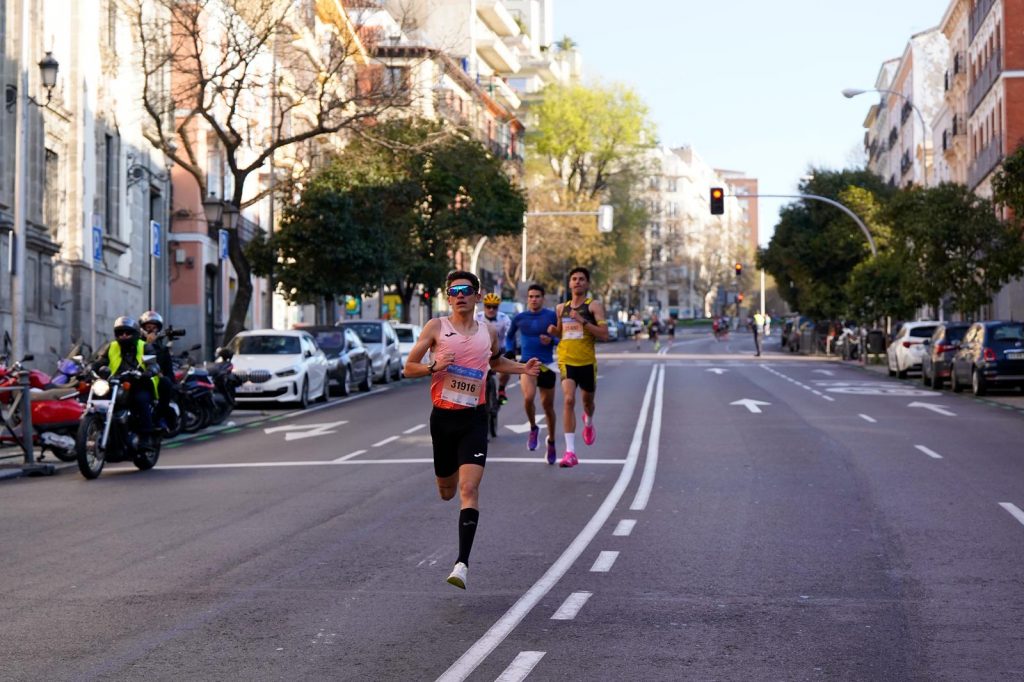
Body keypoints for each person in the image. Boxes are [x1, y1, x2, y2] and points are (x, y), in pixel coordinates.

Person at [404, 271, 540, 590]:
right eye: (454, 291)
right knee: (446, 491)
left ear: (478, 296)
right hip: (443, 419)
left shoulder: (488, 331)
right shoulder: (436, 328)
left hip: (474, 418)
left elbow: (494, 361)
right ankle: (458, 543)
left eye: (466, 290)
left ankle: (462, 563)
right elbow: (408, 368)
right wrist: (433, 366)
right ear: (447, 297)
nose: (460, 295)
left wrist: (522, 368)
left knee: (468, 490)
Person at [546, 267, 609, 468]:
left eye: (582, 279)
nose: (577, 282)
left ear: (587, 284)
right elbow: (561, 333)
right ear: (570, 283)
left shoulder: (594, 306)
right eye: (574, 279)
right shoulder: (560, 308)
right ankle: (570, 452)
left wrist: (583, 321)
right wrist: (552, 332)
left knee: (588, 403)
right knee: (568, 399)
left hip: (587, 362)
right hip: (566, 360)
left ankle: (588, 422)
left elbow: (605, 334)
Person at [506, 283, 560, 464]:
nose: (533, 299)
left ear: (543, 298)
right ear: (527, 299)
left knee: (547, 406)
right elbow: (509, 335)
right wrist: (509, 351)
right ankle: (533, 427)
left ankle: (551, 441)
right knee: (528, 398)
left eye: (537, 296)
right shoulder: (520, 317)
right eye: (531, 296)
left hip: (547, 365)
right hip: (527, 364)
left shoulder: (551, 316)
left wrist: (551, 340)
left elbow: (561, 336)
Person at [91, 316, 159, 449]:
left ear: (134, 334)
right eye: (120, 333)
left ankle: (146, 437)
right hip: (114, 383)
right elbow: (99, 362)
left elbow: (153, 364)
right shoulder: (111, 346)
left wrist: (148, 372)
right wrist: (89, 369)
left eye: (127, 333)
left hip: (139, 383)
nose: (124, 335)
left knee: (141, 400)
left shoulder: (144, 346)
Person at [476, 293, 513, 404]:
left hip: (500, 349)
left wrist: (511, 350)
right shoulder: (477, 317)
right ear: (484, 306)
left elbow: (510, 334)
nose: (491, 309)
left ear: (498, 307)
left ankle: (501, 389)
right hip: (481, 350)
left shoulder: (504, 318)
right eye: (488, 306)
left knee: (507, 368)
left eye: (494, 307)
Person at [139, 310, 173, 431]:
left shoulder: (163, 350)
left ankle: (158, 418)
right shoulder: (136, 344)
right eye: (148, 328)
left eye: (154, 328)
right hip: (137, 381)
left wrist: (162, 375)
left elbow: (170, 374)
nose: (151, 331)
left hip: (155, 384)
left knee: (167, 383)